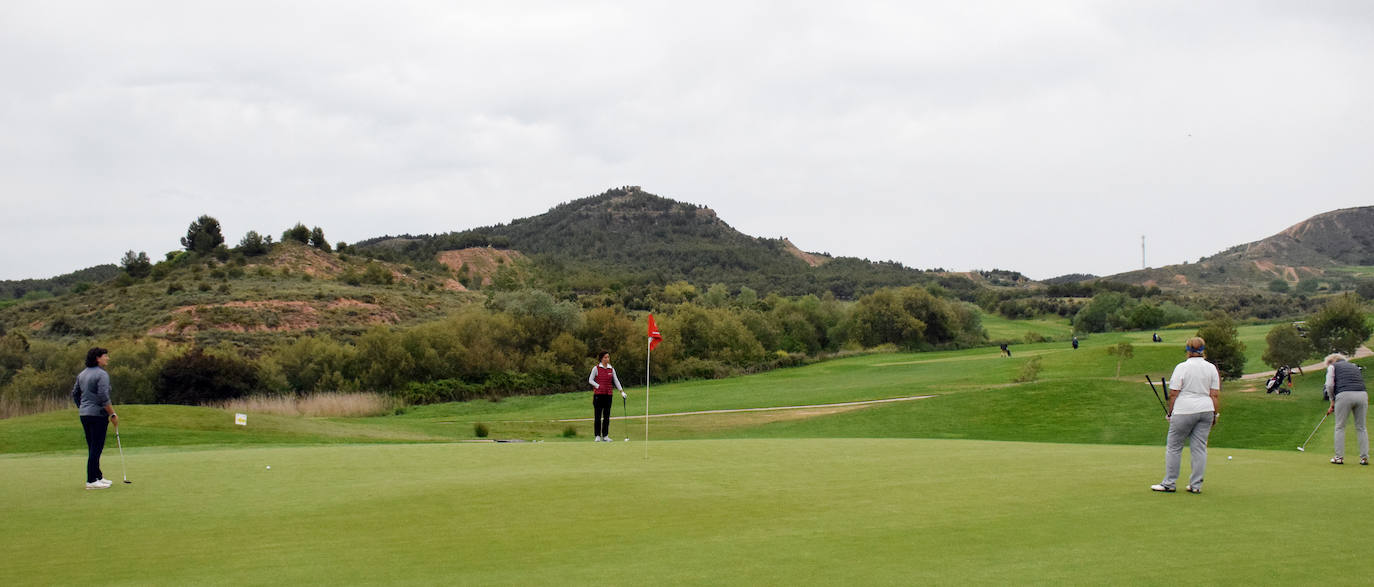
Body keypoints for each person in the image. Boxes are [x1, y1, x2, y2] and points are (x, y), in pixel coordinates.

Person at [1151, 337, 1220, 494]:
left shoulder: (1182, 367)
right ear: (1203, 350)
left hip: (1184, 410)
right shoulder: (1211, 368)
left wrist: (1170, 412)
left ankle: (1169, 483)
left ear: (1188, 350)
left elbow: (1174, 393)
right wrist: (1215, 414)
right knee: (1199, 449)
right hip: (1206, 410)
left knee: (1174, 447)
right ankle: (1196, 485)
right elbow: (1214, 395)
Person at [71, 347, 117, 489]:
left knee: (93, 447)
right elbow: (103, 397)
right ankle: (91, 480)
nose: (107, 358)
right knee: (96, 448)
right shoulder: (102, 374)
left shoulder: (82, 374)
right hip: (97, 415)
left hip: (85, 414)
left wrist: (83, 407)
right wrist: (112, 414)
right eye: (105, 356)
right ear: (98, 358)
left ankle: (98, 476)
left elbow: (75, 393)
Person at [1323, 353, 1368, 466]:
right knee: (1361, 427)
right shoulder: (1353, 366)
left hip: (1344, 395)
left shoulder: (1332, 367)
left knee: (1340, 427)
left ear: (1331, 361)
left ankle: (1339, 457)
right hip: (1362, 394)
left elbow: (1329, 385)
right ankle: (1364, 458)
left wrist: (1332, 400)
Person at [587, 351, 625, 442]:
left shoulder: (611, 369)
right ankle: (597, 435)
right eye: (605, 357)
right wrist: (597, 386)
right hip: (598, 395)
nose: (607, 359)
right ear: (601, 359)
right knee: (598, 416)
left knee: (607, 416)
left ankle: (605, 435)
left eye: (608, 357)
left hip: (608, 395)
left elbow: (616, 381)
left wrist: (621, 392)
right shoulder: (596, 368)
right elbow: (590, 380)